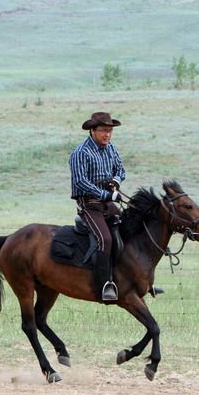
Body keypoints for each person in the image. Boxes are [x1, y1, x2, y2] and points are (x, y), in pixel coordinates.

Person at [69, 111, 126, 301]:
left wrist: (116, 182)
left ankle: (132, 279)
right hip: (89, 205)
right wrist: (107, 194)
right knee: (105, 240)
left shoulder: (111, 148)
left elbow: (120, 169)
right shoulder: (80, 153)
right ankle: (104, 286)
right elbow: (81, 182)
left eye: (109, 131)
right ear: (92, 130)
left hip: (108, 203)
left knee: (129, 229)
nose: (107, 135)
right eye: (103, 130)